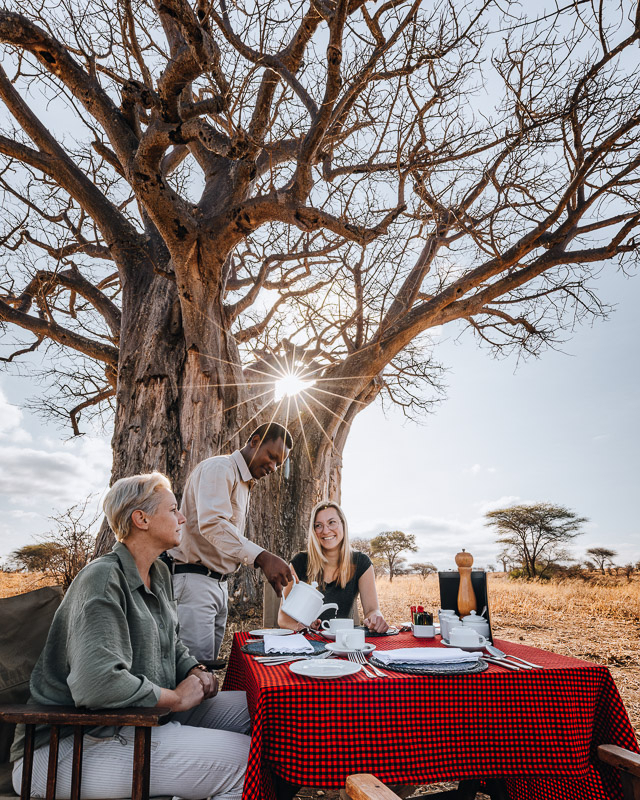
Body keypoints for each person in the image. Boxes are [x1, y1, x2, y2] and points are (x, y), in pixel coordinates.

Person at [11, 472, 251, 800]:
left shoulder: (160, 572)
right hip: (70, 744)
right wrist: (177, 699)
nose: (182, 518)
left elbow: (171, 642)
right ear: (141, 519)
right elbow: (98, 683)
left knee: (266, 712)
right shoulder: (102, 579)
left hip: (143, 717)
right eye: (173, 510)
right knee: (247, 763)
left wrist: (195, 670)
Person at [167, 422, 293, 663]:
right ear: (254, 442)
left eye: (279, 463)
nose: (274, 467)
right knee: (193, 673)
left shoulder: (244, 482)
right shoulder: (220, 468)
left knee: (206, 669)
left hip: (218, 585)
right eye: (271, 456)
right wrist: (262, 557)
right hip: (194, 583)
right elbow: (213, 524)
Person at [278, 500, 390, 632]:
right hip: (306, 642)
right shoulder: (299, 562)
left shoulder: (361, 562)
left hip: (343, 641)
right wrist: (302, 628)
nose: (325, 530)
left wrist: (376, 619)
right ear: (313, 531)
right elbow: (283, 617)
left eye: (332, 522)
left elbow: (372, 610)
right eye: (318, 525)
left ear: (343, 525)